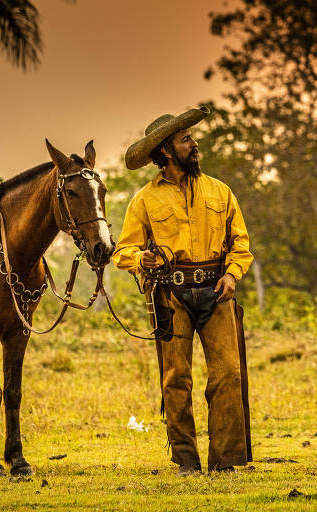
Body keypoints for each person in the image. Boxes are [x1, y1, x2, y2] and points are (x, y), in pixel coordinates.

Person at [111, 106, 253, 475]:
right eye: (185, 139)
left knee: (228, 374)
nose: (194, 144)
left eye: (190, 137)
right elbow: (122, 251)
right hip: (170, 297)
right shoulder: (143, 200)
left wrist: (232, 276)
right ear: (165, 152)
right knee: (176, 379)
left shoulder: (220, 191)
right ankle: (186, 461)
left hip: (217, 292)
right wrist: (140, 259)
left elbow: (241, 243)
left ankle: (224, 462)